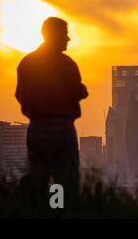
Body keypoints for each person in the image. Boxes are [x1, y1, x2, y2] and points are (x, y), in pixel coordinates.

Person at [15, 17, 88, 208]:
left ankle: (36, 212)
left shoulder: (28, 62)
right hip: (62, 129)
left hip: (37, 128)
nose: (68, 39)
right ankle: (60, 212)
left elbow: (21, 94)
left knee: (38, 178)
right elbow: (76, 90)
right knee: (66, 182)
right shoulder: (66, 65)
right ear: (54, 35)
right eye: (64, 34)